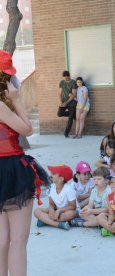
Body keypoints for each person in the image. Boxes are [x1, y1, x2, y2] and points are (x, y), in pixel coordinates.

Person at [0, 50, 36, 276]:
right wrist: (16, 100)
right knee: (18, 240)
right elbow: (28, 130)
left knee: (3, 240)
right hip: (11, 169)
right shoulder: (2, 106)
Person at [34, 165, 78, 230]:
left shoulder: (68, 189)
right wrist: (51, 210)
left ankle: (46, 221)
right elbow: (52, 204)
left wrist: (59, 211)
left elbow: (72, 206)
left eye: (53, 174)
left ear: (61, 179)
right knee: (36, 211)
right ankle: (59, 224)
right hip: (56, 210)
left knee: (70, 214)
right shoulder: (52, 187)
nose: (51, 175)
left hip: (67, 210)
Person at [57, 70, 77, 138]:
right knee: (59, 114)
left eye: (66, 77)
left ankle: (66, 133)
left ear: (69, 76)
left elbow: (74, 94)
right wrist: (60, 102)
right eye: (64, 78)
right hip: (63, 101)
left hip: (71, 102)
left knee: (70, 118)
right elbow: (60, 93)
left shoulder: (73, 82)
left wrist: (66, 103)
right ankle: (73, 114)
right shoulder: (61, 82)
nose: (65, 79)